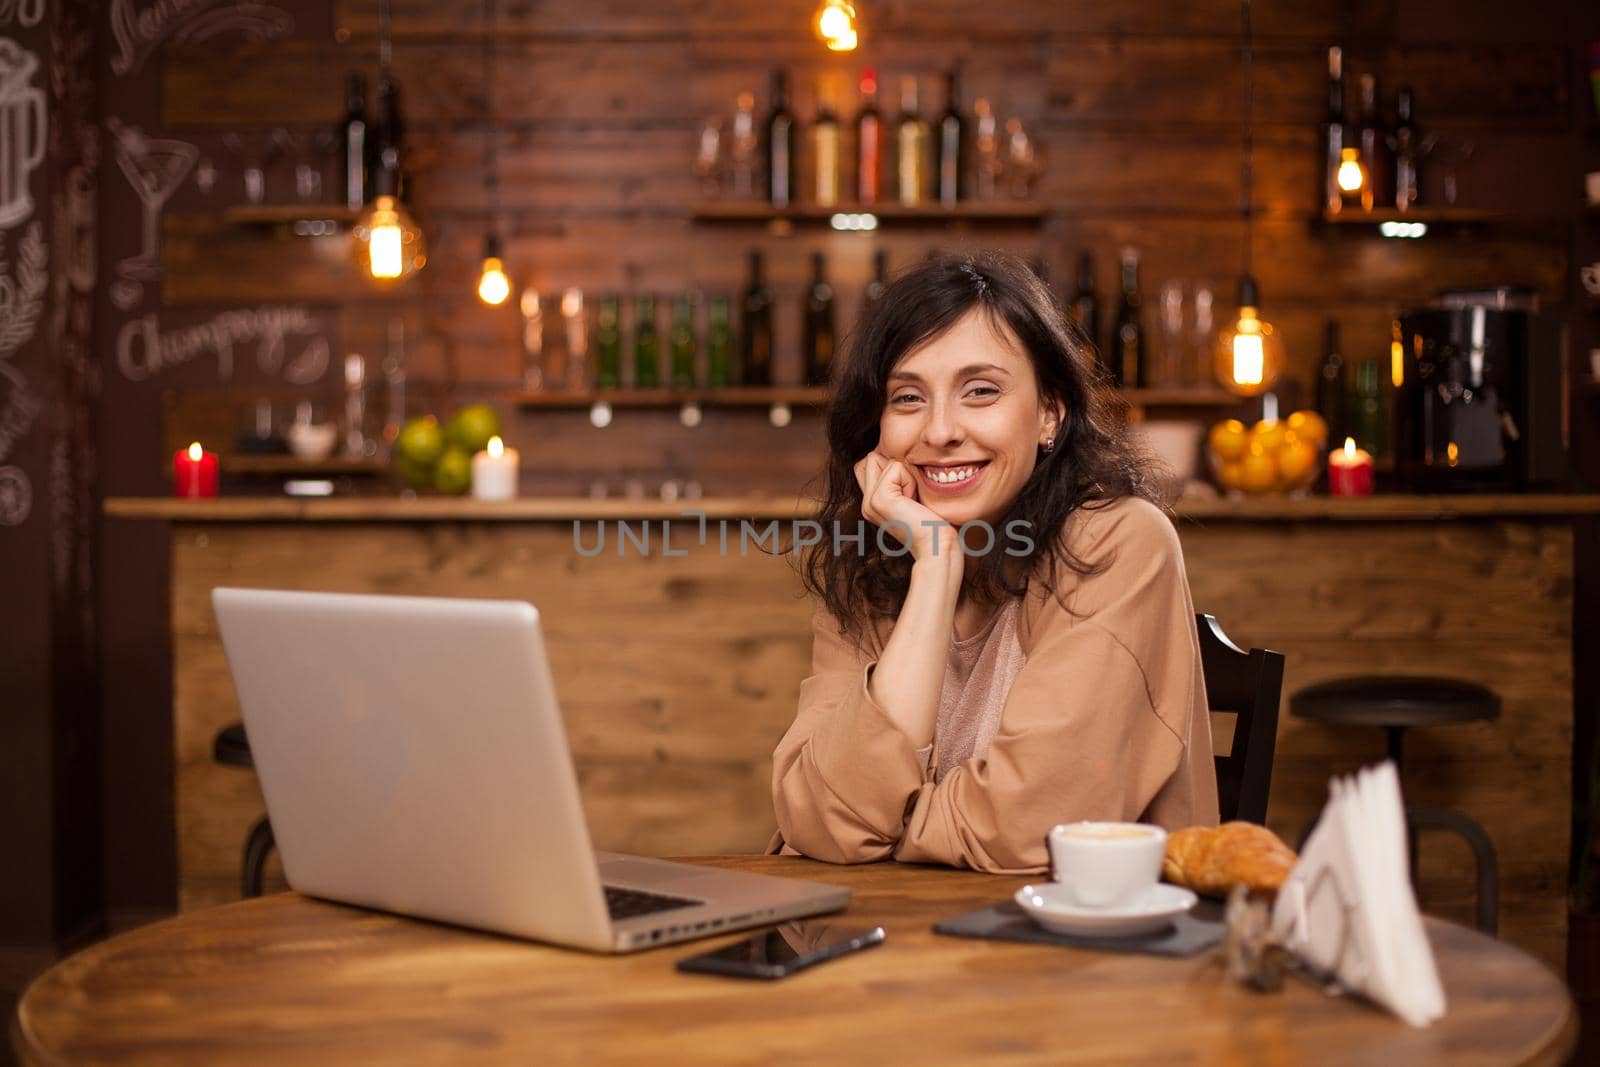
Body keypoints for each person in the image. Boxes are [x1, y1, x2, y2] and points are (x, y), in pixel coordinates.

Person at [769, 251, 1218, 874]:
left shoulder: (1121, 543)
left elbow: (1030, 826)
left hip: (1087, 952)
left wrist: (889, 822)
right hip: (904, 952)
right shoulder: (874, 567)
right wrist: (934, 566)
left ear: (1050, 415)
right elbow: (820, 814)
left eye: (981, 391)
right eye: (907, 397)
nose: (941, 429)